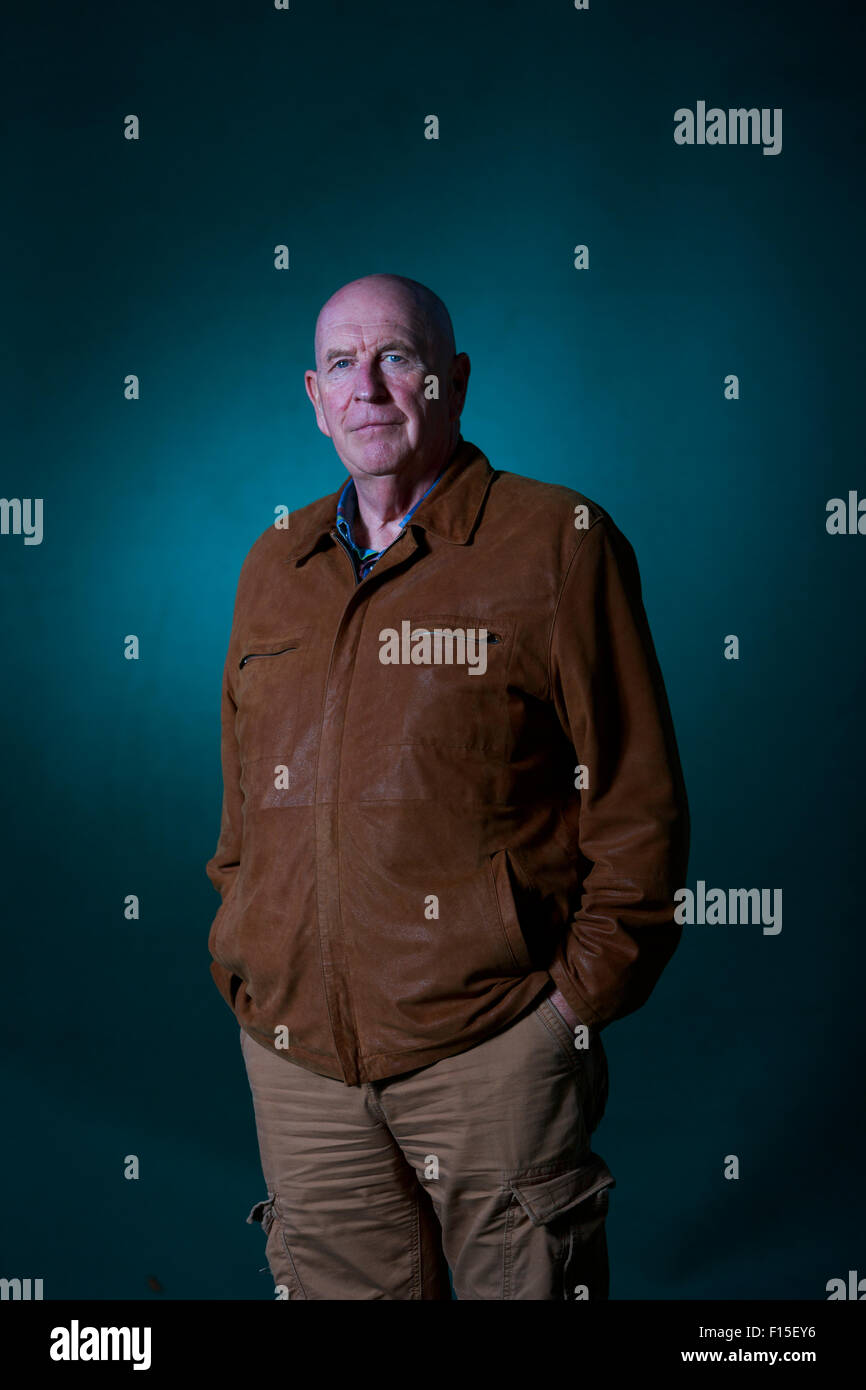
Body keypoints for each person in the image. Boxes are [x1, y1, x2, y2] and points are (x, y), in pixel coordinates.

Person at [205, 272, 690, 1300]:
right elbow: (242, 809)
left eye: (396, 356)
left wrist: (568, 1009)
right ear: (312, 393)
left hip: (494, 1050)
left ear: (452, 380)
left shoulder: (555, 541)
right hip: (301, 1070)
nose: (367, 387)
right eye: (341, 363)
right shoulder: (271, 564)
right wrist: (247, 958)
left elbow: (635, 807)